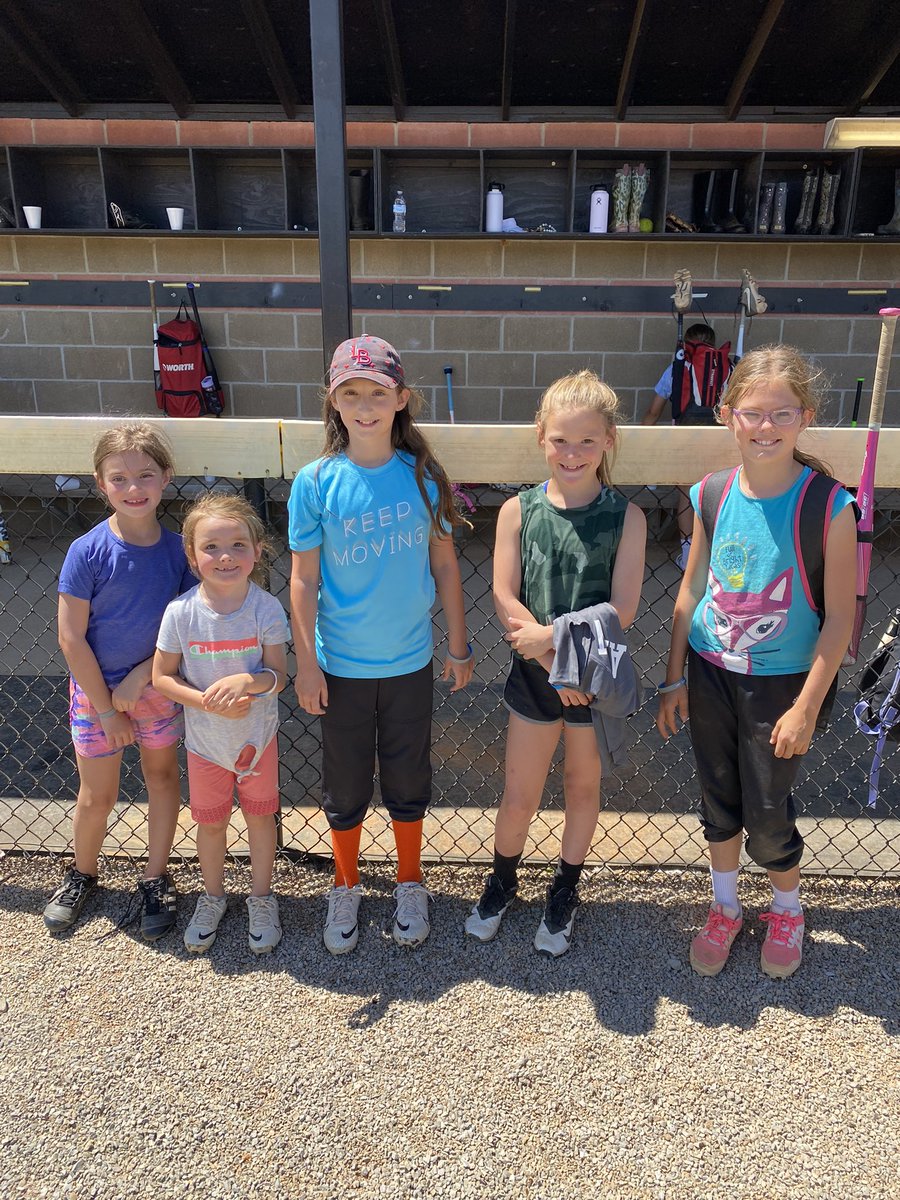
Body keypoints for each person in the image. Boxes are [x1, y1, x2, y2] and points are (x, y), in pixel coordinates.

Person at [656, 345, 857, 979]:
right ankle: (724, 906)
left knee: (769, 812)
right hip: (712, 673)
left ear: (806, 417)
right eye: (752, 413)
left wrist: (806, 706)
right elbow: (690, 593)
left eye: (782, 413)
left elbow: (840, 623)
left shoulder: (829, 505)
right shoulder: (711, 493)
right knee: (719, 800)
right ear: (727, 415)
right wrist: (673, 677)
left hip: (783, 686)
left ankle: (788, 909)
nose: (765, 426)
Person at [288, 335, 473, 955]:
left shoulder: (423, 477)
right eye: (351, 393)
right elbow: (304, 579)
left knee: (407, 774)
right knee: (344, 782)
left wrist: (459, 643)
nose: (364, 405)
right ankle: (345, 883)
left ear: (401, 400)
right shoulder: (316, 482)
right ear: (333, 403)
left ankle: (410, 879)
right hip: (339, 664)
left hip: (409, 660)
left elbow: (445, 565)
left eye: (377, 392)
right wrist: (306, 664)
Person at [465, 370, 646, 956]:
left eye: (586, 441)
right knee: (520, 791)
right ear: (541, 437)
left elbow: (622, 608)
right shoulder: (519, 511)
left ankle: (565, 888)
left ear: (608, 442)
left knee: (580, 785)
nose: (572, 453)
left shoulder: (628, 517)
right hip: (537, 673)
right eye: (561, 440)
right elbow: (504, 595)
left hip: (594, 678)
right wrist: (551, 661)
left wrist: (567, 660)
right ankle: (502, 880)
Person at [45, 423, 194, 938]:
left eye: (145, 475)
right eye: (120, 478)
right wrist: (108, 707)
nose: (134, 488)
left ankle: (155, 877)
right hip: (95, 695)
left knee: (161, 779)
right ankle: (83, 873)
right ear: (100, 483)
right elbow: (71, 638)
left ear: (166, 477)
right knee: (97, 795)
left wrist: (140, 678)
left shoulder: (180, 553)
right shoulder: (86, 552)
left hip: (157, 688)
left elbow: (189, 625)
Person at [153, 493, 288, 955]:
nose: (225, 556)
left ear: (257, 551)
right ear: (192, 556)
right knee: (210, 825)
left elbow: (278, 677)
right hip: (205, 744)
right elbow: (161, 677)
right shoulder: (181, 613)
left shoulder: (266, 608)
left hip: (258, 740)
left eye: (237, 545)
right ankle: (212, 897)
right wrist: (205, 703)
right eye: (211, 547)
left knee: (259, 818)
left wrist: (247, 681)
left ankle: (261, 897)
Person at [643, 322, 719, 571]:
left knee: (687, 495)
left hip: (685, 439)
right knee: (718, 496)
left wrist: (645, 445)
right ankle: (712, 556)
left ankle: (687, 555)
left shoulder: (676, 368)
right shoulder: (725, 368)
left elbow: (654, 411)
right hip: (718, 441)